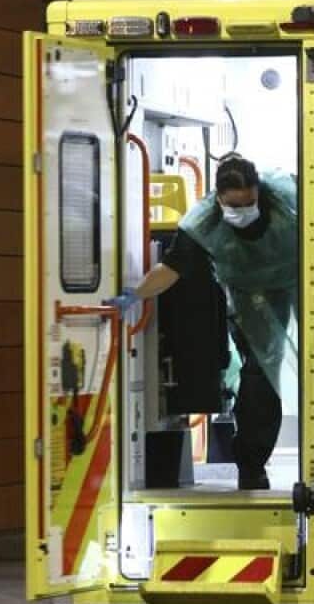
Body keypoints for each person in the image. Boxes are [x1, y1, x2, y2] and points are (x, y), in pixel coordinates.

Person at [108, 155, 298, 490]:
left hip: (301, 281)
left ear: (259, 192)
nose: (243, 211)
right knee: (260, 375)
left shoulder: (288, 198)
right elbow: (172, 268)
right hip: (250, 297)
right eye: (234, 206)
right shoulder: (204, 221)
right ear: (219, 199)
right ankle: (251, 466)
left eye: (249, 203)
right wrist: (137, 294)